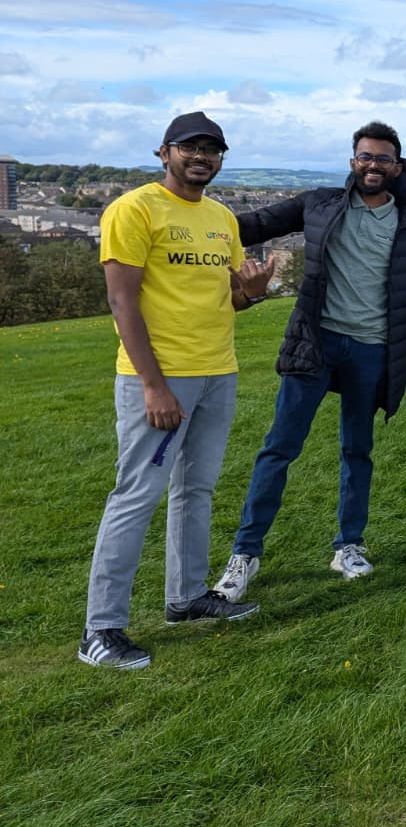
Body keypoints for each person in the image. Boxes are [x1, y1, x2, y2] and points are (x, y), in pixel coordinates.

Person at [214, 123, 406, 602]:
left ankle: (349, 545)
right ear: (353, 161)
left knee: (357, 451)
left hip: (371, 350)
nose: (373, 165)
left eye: (384, 159)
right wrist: (193, 219)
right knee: (280, 448)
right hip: (316, 343)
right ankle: (245, 553)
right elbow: (250, 225)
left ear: (397, 167)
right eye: (366, 157)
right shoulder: (319, 204)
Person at [80, 114, 272, 669]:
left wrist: (254, 294)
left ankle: (186, 598)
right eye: (191, 147)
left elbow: (229, 300)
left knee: (197, 489)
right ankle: (101, 629)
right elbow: (122, 303)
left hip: (219, 371)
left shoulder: (221, 218)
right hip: (162, 378)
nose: (202, 156)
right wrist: (153, 384)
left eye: (212, 150)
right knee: (136, 496)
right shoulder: (134, 209)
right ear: (165, 152)